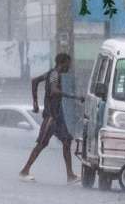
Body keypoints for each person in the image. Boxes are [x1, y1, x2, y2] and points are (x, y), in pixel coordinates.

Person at [20, 53, 80, 183]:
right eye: (68, 64)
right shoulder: (54, 75)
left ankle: (70, 175)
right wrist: (73, 96)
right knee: (41, 144)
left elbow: (35, 81)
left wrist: (35, 102)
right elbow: (53, 91)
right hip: (51, 117)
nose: (69, 66)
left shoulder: (50, 74)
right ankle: (25, 170)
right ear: (62, 63)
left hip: (58, 116)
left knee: (66, 141)